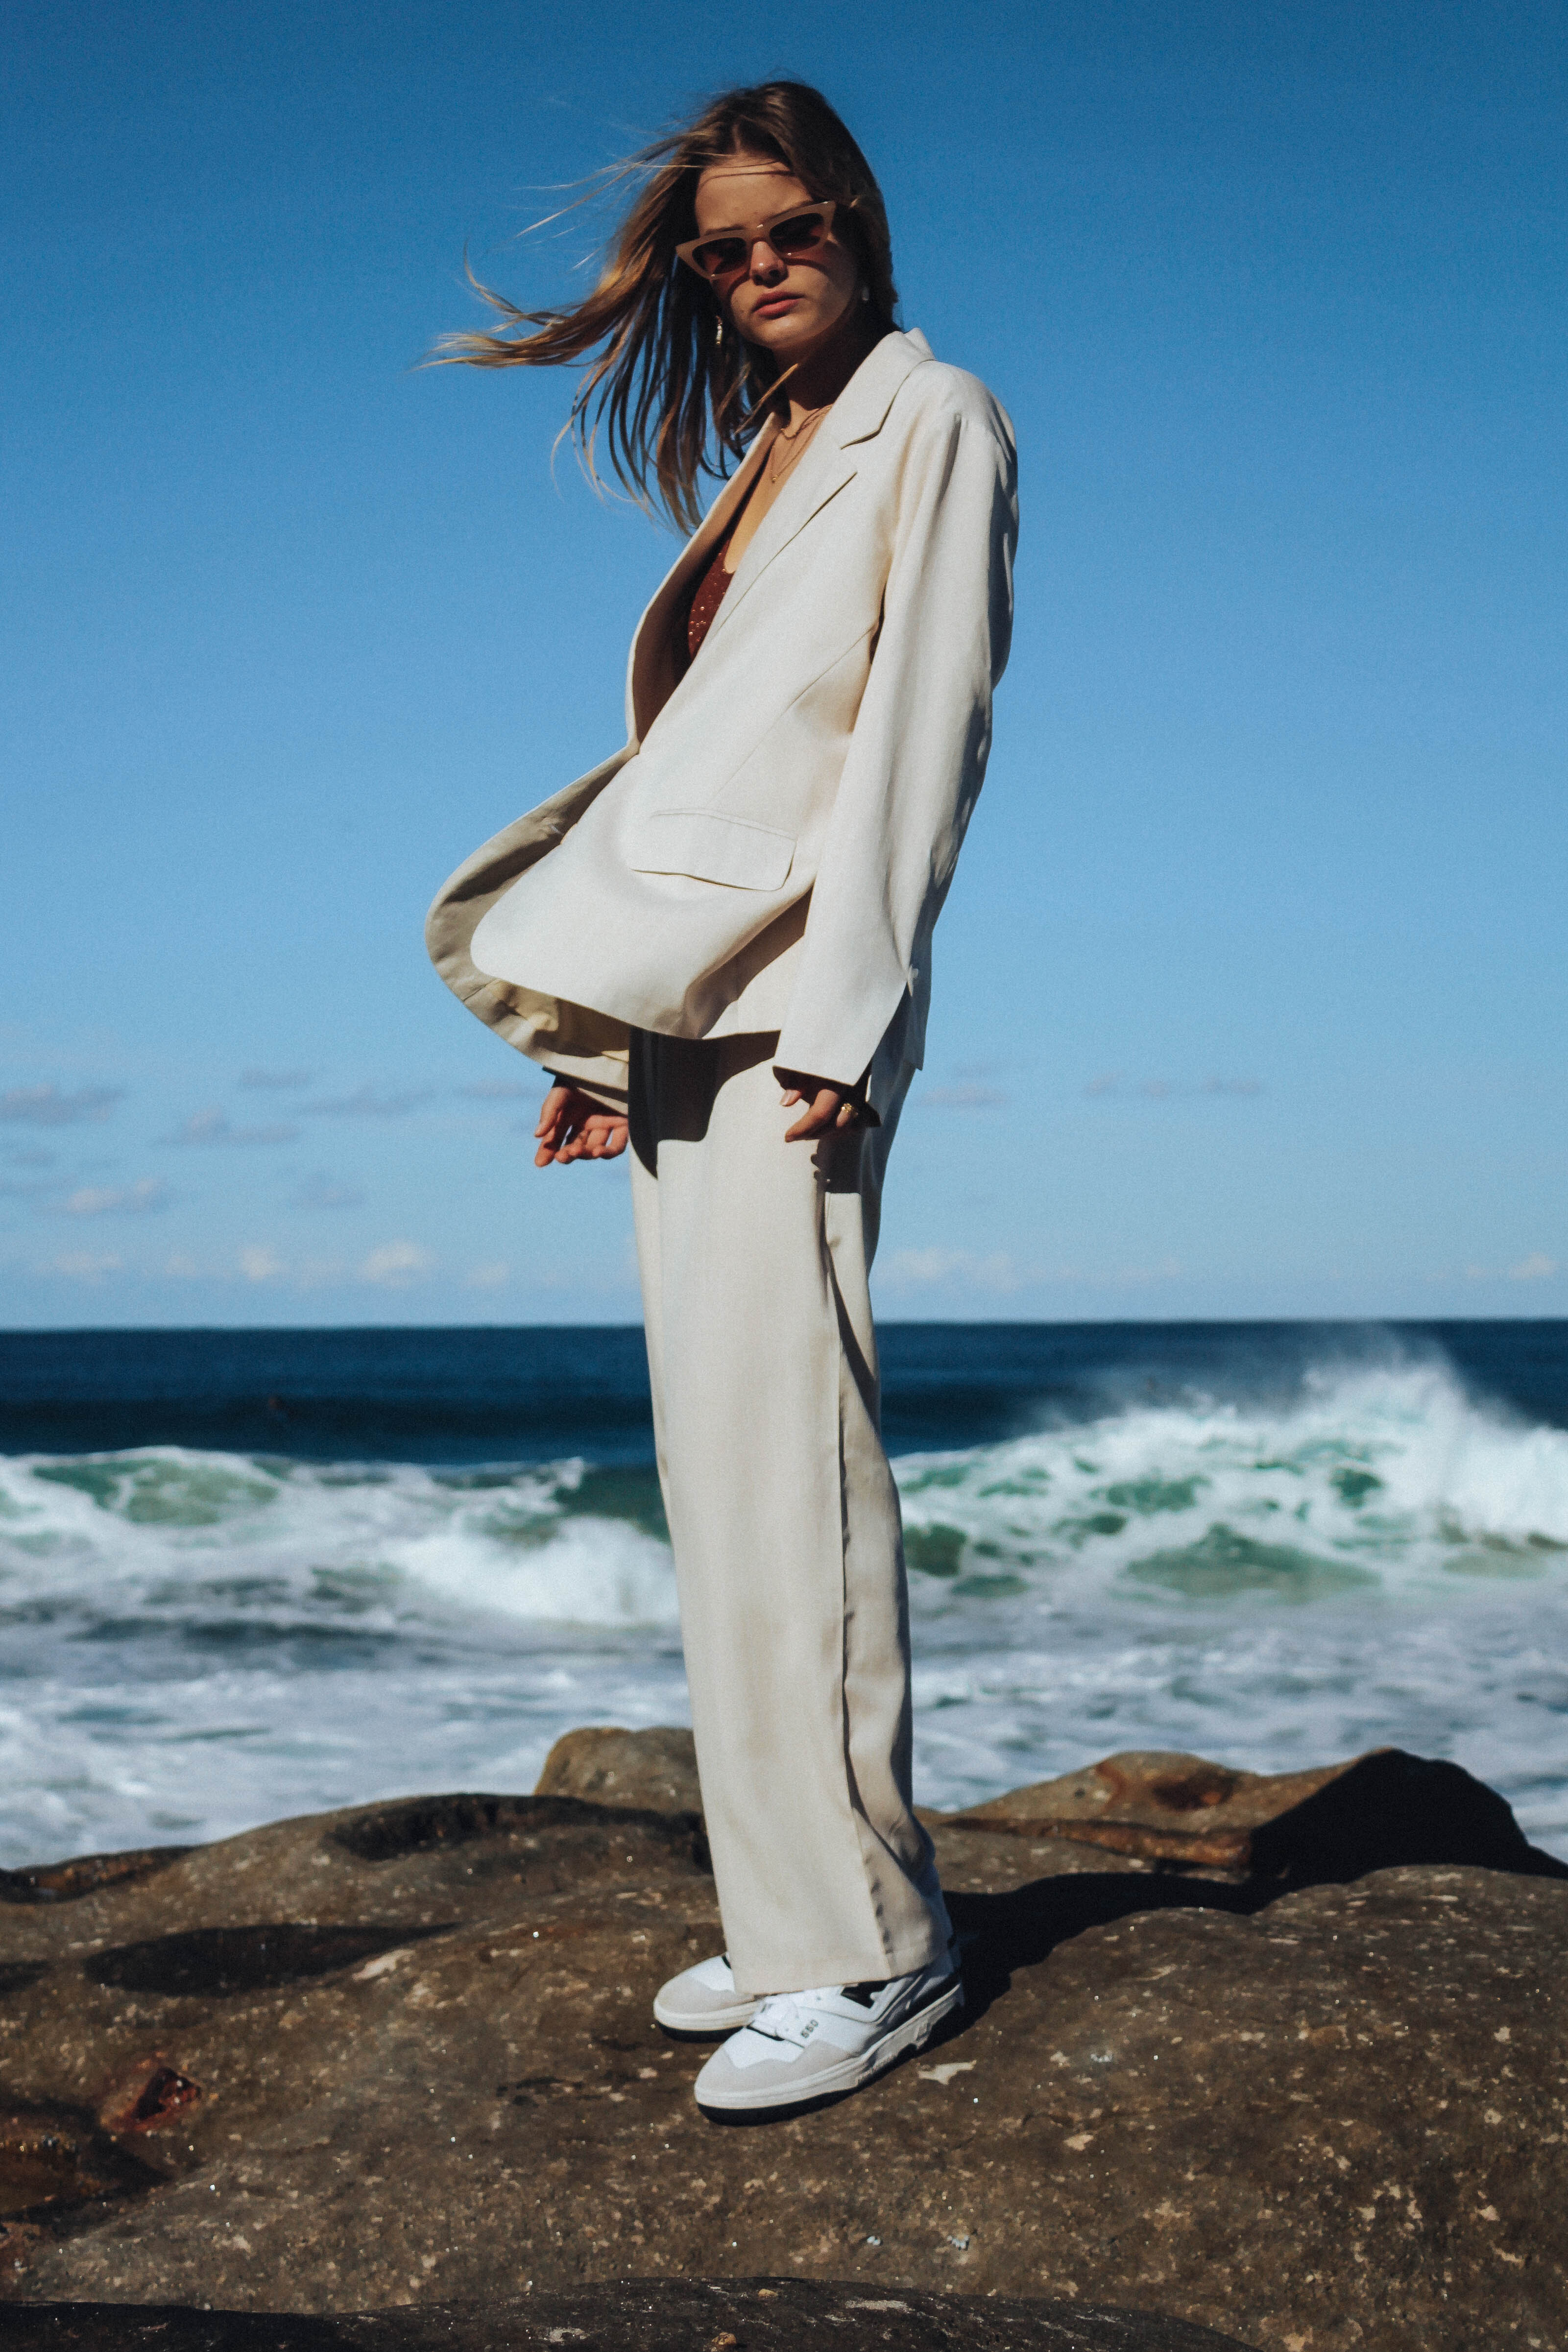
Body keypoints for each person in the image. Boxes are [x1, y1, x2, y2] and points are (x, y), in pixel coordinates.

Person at [426, 80, 1017, 2116]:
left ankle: (873, 1950)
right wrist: (608, 1039)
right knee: (721, 1478)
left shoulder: (933, 417)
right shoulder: (776, 448)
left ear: (858, 218)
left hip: (799, 1024)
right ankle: (794, 1923)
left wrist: (852, 1011)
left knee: (797, 1474)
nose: (760, 267)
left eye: (790, 230)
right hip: (700, 1019)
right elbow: (714, 770)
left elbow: (922, 731)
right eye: (721, 251)